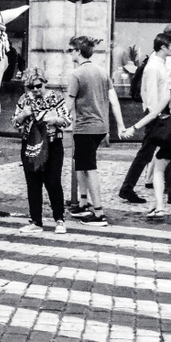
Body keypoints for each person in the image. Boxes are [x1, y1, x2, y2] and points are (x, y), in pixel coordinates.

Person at [121, 32, 171, 225]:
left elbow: (154, 108)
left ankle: (160, 204)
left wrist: (134, 126)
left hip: (169, 126)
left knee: (157, 166)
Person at [65, 35, 127, 226]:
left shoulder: (76, 74)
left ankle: (98, 213)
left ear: (77, 51)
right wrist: (120, 125)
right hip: (101, 127)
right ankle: (83, 203)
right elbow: (114, 101)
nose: (69, 53)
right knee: (81, 164)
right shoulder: (102, 72)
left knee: (89, 167)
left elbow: (67, 105)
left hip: (85, 127)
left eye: (70, 50)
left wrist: (53, 120)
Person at [119, 29, 171, 204]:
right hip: (157, 115)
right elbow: (152, 95)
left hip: (158, 114)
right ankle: (128, 188)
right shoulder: (154, 67)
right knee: (149, 154)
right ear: (162, 47)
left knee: (163, 152)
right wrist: (158, 116)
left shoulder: (159, 63)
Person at [12, 68, 72, 233]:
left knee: (53, 182)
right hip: (30, 145)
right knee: (33, 183)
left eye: (38, 85)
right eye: (31, 87)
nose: (36, 90)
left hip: (52, 145)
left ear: (45, 82)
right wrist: (23, 115)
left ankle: (59, 220)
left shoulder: (55, 97)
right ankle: (36, 222)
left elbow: (67, 120)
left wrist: (54, 119)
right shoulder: (24, 100)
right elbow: (14, 122)